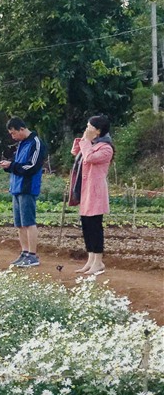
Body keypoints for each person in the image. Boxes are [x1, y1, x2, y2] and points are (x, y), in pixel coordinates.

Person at [0, 117, 48, 268]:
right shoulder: (22, 144)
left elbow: (31, 167)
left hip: (27, 188)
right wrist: (9, 166)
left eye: (13, 133)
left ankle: (33, 255)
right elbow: (18, 165)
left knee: (29, 222)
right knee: (19, 224)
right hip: (17, 188)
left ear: (21, 129)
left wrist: (11, 165)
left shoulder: (36, 143)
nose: (13, 136)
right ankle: (24, 252)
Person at [70, 115, 114, 276]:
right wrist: (84, 139)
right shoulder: (90, 143)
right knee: (86, 226)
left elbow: (89, 157)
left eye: (90, 127)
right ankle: (90, 260)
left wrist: (87, 142)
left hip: (95, 192)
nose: (87, 129)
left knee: (95, 227)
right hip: (84, 190)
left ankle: (98, 261)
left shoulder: (106, 148)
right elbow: (75, 152)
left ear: (98, 131)